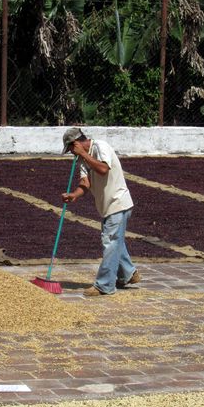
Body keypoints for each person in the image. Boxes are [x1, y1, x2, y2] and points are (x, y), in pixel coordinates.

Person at [60, 127, 141, 296]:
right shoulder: (82, 160)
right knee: (114, 240)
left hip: (118, 202)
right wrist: (74, 194)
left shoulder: (100, 147)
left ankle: (104, 285)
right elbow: (85, 183)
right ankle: (129, 274)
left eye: (70, 149)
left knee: (110, 241)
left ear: (76, 143)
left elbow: (104, 169)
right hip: (107, 206)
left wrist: (83, 154)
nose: (71, 154)